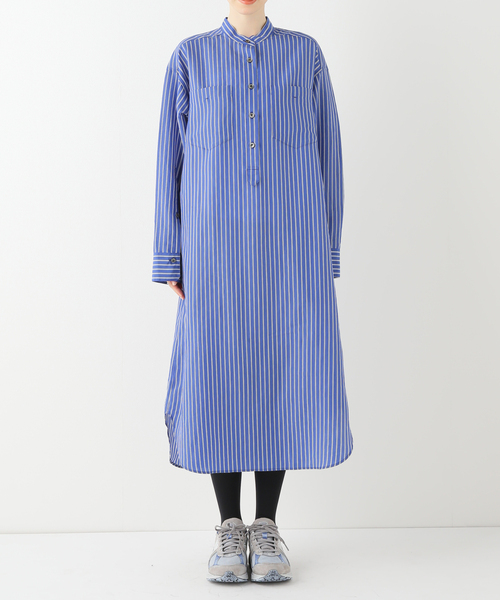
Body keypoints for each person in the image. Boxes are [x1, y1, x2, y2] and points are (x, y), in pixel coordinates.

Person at [152, 0, 354, 584]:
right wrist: (169, 253)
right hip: (212, 249)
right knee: (219, 377)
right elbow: (169, 158)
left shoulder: (305, 55)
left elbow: (329, 151)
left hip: (292, 246)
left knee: (281, 375)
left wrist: (327, 248)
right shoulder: (190, 58)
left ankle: (266, 525)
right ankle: (228, 525)